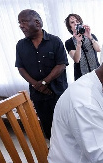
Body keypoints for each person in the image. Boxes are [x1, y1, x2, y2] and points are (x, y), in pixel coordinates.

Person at [15, 9, 68, 139]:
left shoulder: (55, 41)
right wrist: (36, 85)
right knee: (47, 125)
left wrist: (44, 82)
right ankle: (54, 151)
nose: (21, 26)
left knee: (65, 125)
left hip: (58, 93)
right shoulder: (20, 45)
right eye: (19, 23)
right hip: (38, 95)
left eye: (24, 22)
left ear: (37, 23)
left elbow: (61, 64)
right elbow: (20, 67)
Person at [65, 14, 101, 80]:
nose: (75, 23)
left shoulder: (91, 35)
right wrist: (78, 44)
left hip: (96, 73)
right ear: (70, 27)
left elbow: (98, 49)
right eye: (72, 22)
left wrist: (90, 36)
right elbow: (76, 59)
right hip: (81, 75)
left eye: (77, 21)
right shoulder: (69, 42)